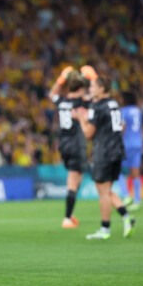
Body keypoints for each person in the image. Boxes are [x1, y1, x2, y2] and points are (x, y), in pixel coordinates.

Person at [73, 75, 136, 240]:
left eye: (93, 86)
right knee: (107, 190)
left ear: (102, 88)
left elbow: (88, 134)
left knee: (103, 192)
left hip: (103, 151)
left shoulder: (96, 105)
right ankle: (126, 217)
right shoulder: (114, 102)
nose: (90, 89)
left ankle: (105, 229)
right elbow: (119, 126)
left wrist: (81, 119)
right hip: (117, 150)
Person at [48, 67, 91, 229]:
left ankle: (71, 213)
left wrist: (61, 79)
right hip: (76, 143)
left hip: (64, 143)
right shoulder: (82, 102)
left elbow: (51, 94)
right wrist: (93, 79)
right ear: (80, 88)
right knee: (73, 181)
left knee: (77, 178)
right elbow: (98, 97)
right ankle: (67, 218)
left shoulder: (62, 101)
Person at [119, 91, 143, 211]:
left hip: (127, 143)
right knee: (135, 172)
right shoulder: (138, 111)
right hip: (138, 143)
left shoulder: (124, 111)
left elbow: (123, 127)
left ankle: (126, 195)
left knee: (116, 169)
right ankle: (137, 200)